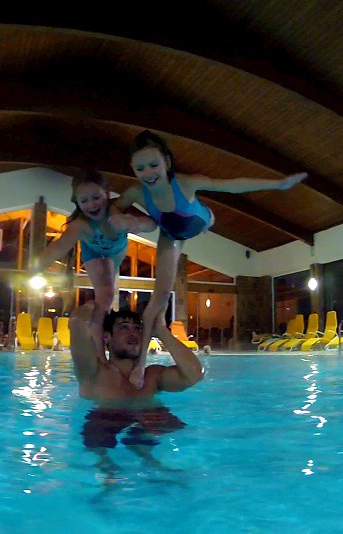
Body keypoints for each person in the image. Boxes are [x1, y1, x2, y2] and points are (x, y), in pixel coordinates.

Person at [114, 130, 308, 388]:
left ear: (167, 163)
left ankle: (209, 220)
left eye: (153, 165)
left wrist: (278, 183)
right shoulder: (136, 193)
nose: (148, 173)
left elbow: (230, 185)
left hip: (198, 220)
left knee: (205, 218)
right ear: (132, 169)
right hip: (171, 234)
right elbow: (110, 207)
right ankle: (140, 365)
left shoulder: (185, 183)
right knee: (158, 298)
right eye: (140, 168)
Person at [32, 169, 156, 361]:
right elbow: (58, 248)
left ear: (107, 194)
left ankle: (103, 343)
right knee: (105, 297)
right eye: (84, 200)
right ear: (77, 201)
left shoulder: (118, 208)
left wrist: (135, 223)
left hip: (116, 252)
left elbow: (152, 224)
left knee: (107, 297)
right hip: (93, 252)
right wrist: (34, 268)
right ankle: (100, 357)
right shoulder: (80, 225)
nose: (91, 204)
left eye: (96, 197)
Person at [69, 301, 203, 477]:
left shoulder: (152, 376)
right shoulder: (93, 372)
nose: (133, 333)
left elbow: (194, 374)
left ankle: (153, 465)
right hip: (104, 421)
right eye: (124, 327)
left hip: (148, 420)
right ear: (107, 337)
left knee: (156, 432)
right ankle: (107, 472)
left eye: (138, 328)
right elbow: (77, 323)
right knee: (97, 436)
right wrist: (99, 301)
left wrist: (161, 331)